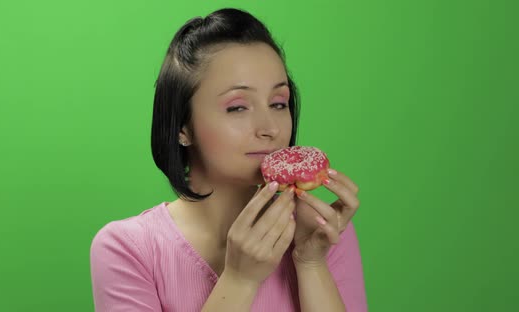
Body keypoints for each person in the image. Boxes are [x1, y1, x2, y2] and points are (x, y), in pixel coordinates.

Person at [90, 8, 367, 312]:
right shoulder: (128, 249)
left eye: (278, 103)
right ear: (182, 127)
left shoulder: (320, 230)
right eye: (237, 108)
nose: (270, 129)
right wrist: (239, 280)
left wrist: (310, 262)